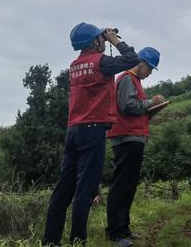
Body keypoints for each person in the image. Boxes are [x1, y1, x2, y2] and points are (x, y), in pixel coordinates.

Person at [43, 23, 140, 246]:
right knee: (85, 191)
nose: (104, 42)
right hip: (93, 130)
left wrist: (105, 37)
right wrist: (116, 39)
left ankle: (50, 242)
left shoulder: (74, 65)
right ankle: (78, 241)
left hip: (73, 131)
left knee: (63, 189)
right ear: (94, 42)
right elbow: (132, 59)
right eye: (101, 39)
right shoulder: (101, 62)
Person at [105, 47, 165, 246]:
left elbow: (137, 110)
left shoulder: (134, 81)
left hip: (134, 138)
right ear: (142, 63)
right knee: (121, 185)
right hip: (126, 139)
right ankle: (115, 233)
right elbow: (128, 106)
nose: (149, 74)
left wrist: (152, 108)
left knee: (128, 186)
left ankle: (124, 229)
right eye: (150, 69)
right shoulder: (127, 79)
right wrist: (150, 102)